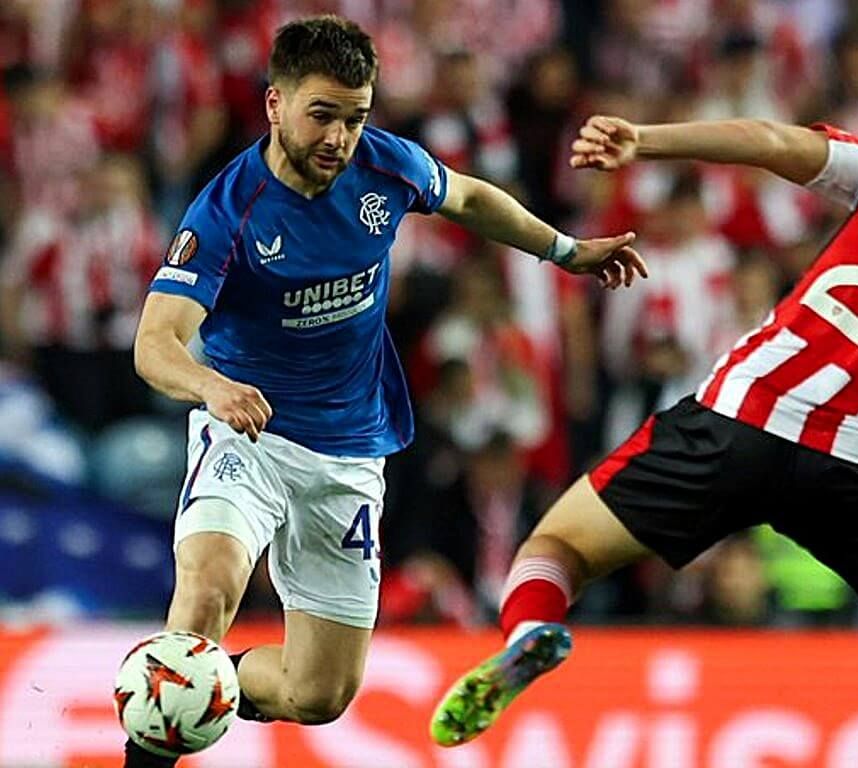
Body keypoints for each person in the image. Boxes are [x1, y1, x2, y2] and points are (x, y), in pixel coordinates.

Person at [430, 80, 858, 768]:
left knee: (559, 547)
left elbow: (769, 141)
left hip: (744, 414)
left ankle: (531, 631)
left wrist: (646, 140)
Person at [124, 15, 645, 767]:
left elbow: (468, 198)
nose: (340, 137)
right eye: (323, 115)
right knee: (206, 594)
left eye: (356, 116)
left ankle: (210, 688)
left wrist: (563, 251)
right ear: (275, 104)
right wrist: (213, 387)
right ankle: (152, 739)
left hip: (350, 449)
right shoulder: (227, 210)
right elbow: (154, 343)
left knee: (319, 695)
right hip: (250, 434)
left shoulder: (385, 165)